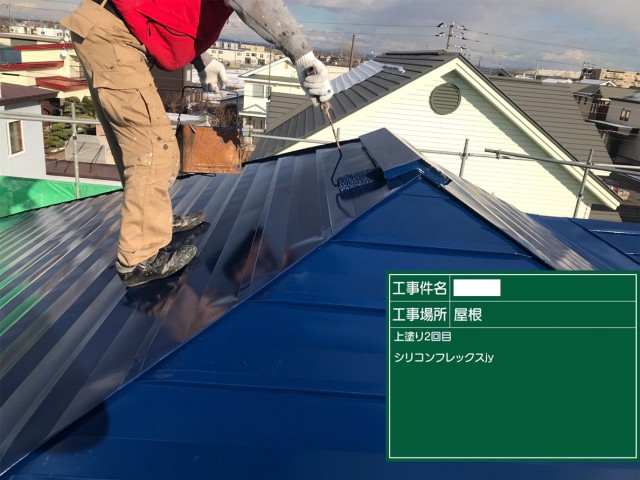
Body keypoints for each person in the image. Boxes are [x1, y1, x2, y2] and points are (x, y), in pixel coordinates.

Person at [61, 0, 333, 287]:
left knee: (142, 145)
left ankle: (155, 221)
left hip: (110, 30)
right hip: (115, 35)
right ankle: (138, 259)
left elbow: (175, 12)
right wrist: (302, 55)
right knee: (154, 148)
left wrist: (203, 59)